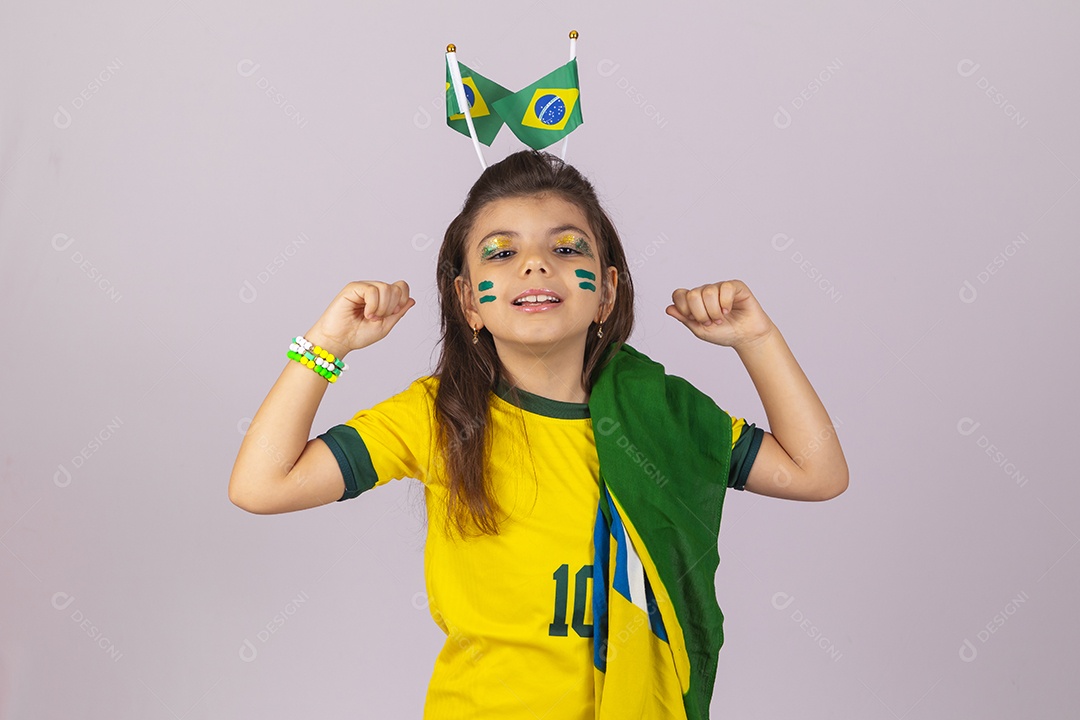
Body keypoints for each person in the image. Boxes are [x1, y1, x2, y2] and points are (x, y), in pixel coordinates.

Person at [228, 149, 848, 719]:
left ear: (606, 290)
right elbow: (262, 485)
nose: (534, 263)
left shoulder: (663, 411)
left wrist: (756, 341)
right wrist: (326, 346)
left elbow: (817, 473)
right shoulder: (435, 415)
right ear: (468, 301)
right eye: (500, 252)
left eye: (568, 248)